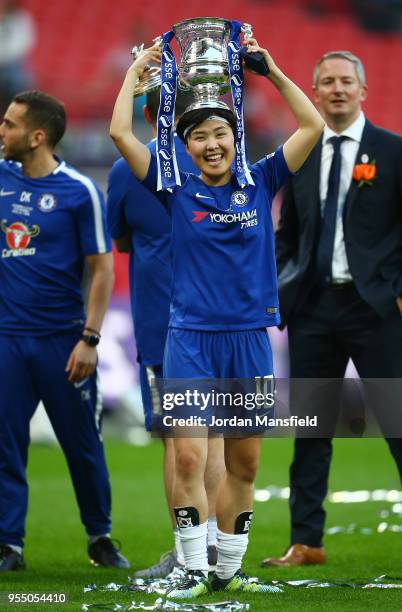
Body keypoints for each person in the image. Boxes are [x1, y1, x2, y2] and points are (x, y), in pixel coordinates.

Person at [109, 37, 324, 599]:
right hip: (190, 342)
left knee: (245, 464)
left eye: (220, 133)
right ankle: (192, 566)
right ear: (185, 145)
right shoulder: (172, 187)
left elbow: (311, 127)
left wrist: (272, 70)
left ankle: (226, 567)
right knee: (187, 456)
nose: (211, 143)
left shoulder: (263, 180)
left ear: (236, 139)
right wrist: (135, 75)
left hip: (249, 341)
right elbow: (118, 134)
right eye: (198, 135)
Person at [261, 51, 402, 568]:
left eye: (346, 81)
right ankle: (307, 542)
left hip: (377, 309)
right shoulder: (302, 152)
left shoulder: (393, 151)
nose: (337, 89)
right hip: (313, 308)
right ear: (315, 93)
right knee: (311, 428)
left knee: (399, 423)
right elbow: (287, 231)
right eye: (327, 82)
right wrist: (279, 286)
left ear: (363, 91)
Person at [0, 90, 129, 572]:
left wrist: (90, 339)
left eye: (10, 124)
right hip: (8, 339)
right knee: (4, 443)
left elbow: (102, 270)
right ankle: (8, 544)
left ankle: (100, 537)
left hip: (63, 342)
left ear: (37, 136)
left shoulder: (79, 191)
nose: (2, 130)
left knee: (83, 446)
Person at [107, 88, 225, 577]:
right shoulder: (221, 161)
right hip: (222, 320)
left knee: (178, 443)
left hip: (164, 325)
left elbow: (119, 236)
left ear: (149, 113)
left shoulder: (128, 169)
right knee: (215, 437)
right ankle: (218, 550)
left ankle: (185, 555)